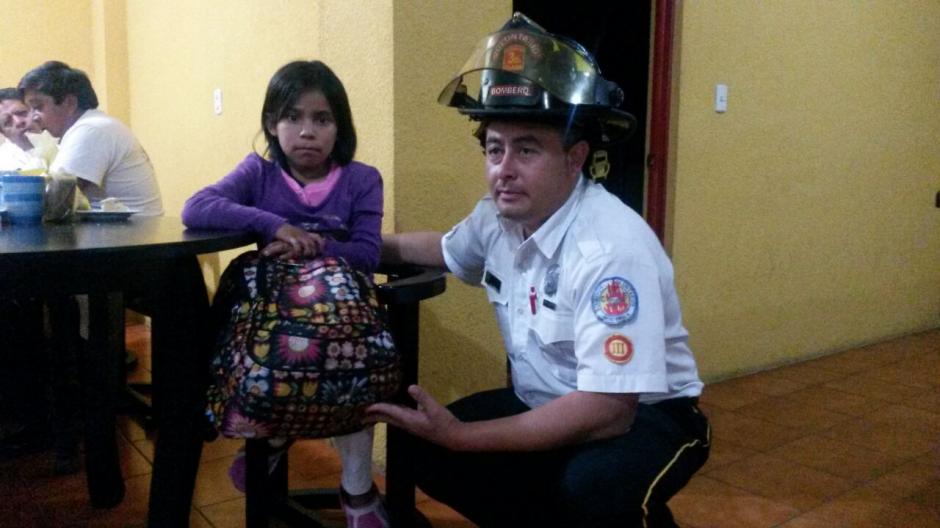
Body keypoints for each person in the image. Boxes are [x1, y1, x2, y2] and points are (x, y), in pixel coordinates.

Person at [366, 13, 710, 527]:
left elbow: (608, 411)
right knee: (421, 452)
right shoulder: (498, 217)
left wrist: (462, 435)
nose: (503, 168)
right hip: (542, 398)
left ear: (575, 159)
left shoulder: (610, 248)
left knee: (588, 490)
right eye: (494, 149)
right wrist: (358, 247)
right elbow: (443, 248)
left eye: (527, 149)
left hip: (649, 414)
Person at [182, 60, 388, 528]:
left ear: (340, 126)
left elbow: (367, 253)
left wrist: (312, 245)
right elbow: (197, 207)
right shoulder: (258, 173)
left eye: (322, 119)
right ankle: (271, 441)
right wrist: (274, 223)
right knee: (267, 359)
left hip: (343, 317)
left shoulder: (361, 179)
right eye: (292, 117)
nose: (306, 131)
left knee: (357, 363)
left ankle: (356, 488)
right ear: (273, 124)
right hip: (274, 320)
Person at [18, 61, 163, 215]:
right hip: (126, 232)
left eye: (38, 107)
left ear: (70, 103)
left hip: (132, 235)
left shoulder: (90, 130)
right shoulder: (95, 125)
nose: (33, 117)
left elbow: (56, 201)